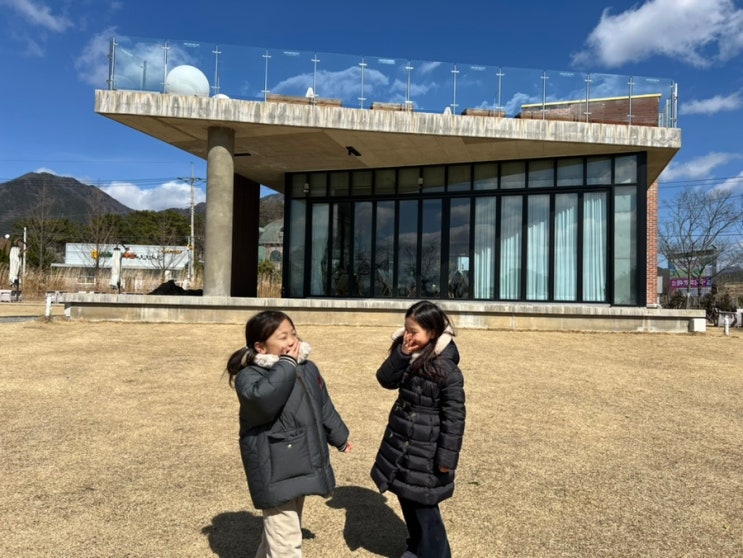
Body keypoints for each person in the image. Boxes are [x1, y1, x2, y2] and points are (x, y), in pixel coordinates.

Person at [225, 310, 352, 557]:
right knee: (286, 542)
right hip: (273, 468)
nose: (292, 341)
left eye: (293, 334)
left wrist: (339, 436)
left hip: (300, 461)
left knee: (281, 535)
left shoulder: (307, 368)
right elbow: (263, 401)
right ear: (260, 347)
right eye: (282, 337)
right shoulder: (250, 376)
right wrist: (287, 365)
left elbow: (323, 406)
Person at [371, 300, 466, 558]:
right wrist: (401, 353)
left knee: (425, 507)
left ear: (432, 332)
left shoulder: (447, 370)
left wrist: (446, 460)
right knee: (407, 497)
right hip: (402, 441)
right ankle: (416, 548)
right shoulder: (408, 353)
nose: (408, 335)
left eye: (414, 331)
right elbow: (385, 379)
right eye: (406, 329)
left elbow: (454, 419)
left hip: (427, 450)